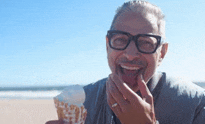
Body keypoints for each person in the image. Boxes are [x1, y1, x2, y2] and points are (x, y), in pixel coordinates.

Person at [46, 0, 205, 124]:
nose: (130, 54)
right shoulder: (82, 101)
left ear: (162, 52)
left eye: (145, 42)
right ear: (108, 45)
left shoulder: (196, 104)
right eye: (120, 40)